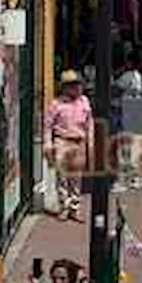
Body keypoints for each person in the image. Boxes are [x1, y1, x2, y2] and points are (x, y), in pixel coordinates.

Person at [43, 70, 94, 221]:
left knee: (76, 177)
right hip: (62, 141)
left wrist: (90, 142)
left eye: (78, 85)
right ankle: (64, 206)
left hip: (79, 141)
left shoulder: (84, 101)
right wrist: (48, 144)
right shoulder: (56, 104)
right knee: (62, 176)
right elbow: (48, 126)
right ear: (65, 87)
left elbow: (89, 123)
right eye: (72, 85)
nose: (77, 88)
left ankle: (75, 207)